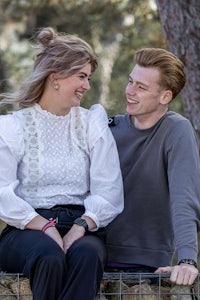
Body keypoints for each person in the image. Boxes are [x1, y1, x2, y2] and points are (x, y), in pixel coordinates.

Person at [0, 27, 124, 300]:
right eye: (81, 76)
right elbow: (2, 193)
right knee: (49, 256)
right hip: (26, 228)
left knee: (89, 255)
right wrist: (44, 226)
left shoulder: (92, 123)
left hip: (82, 224)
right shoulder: (13, 127)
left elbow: (109, 190)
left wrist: (81, 225)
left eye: (89, 77)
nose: (87, 86)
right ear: (55, 77)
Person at [106, 47, 200, 286]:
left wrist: (188, 259)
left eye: (141, 87)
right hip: (93, 256)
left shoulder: (176, 130)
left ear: (165, 97)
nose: (130, 91)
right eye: (130, 81)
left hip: (147, 266)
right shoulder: (109, 129)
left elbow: (184, 197)